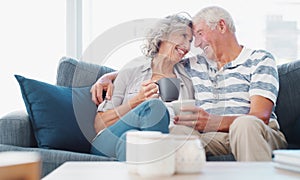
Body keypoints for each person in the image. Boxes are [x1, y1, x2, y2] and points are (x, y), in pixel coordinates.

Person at [91, 6, 288, 161]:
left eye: (198, 35)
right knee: (177, 133)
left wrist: (215, 122)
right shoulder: (196, 64)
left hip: (252, 130)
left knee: (244, 125)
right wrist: (108, 76)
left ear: (221, 26)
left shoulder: (259, 59)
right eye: (187, 37)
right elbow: (158, 63)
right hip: (211, 137)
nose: (194, 45)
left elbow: (260, 116)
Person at [90, 14, 195, 161]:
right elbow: (100, 124)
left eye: (190, 40)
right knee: (154, 107)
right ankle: (160, 163)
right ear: (164, 35)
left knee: (130, 142)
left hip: (150, 140)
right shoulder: (132, 71)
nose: (187, 46)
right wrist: (138, 100)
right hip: (108, 140)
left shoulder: (188, 79)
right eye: (183, 36)